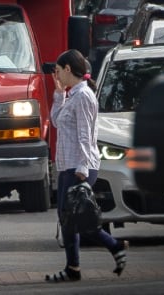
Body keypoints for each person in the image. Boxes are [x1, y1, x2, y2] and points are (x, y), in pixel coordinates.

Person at [46, 49, 128, 282]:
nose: (57, 75)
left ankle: (114, 246)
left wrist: (82, 167)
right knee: (67, 218)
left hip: (79, 166)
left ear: (68, 69)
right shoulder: (73, 94)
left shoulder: (83, 96)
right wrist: (59, 95)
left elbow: (85, 135)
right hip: (67, 165)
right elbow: (55, 121)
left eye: (59, 70)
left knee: (79, 217)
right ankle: (73, 268)